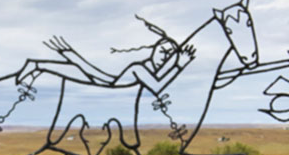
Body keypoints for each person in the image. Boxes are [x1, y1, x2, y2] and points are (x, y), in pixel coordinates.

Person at [18, 16, 196, 99]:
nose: (165, 58)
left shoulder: (147, 70)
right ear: (153, 50)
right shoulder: (139, 68)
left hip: (107, 83)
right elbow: (157, 86)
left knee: (76, 72)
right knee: (81, 71)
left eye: (169, 56)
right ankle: (37, 64)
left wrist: (74, 57)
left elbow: (159, 78)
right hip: (107, 84)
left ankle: (37, 65)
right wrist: (180, 65)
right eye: (162, 51)